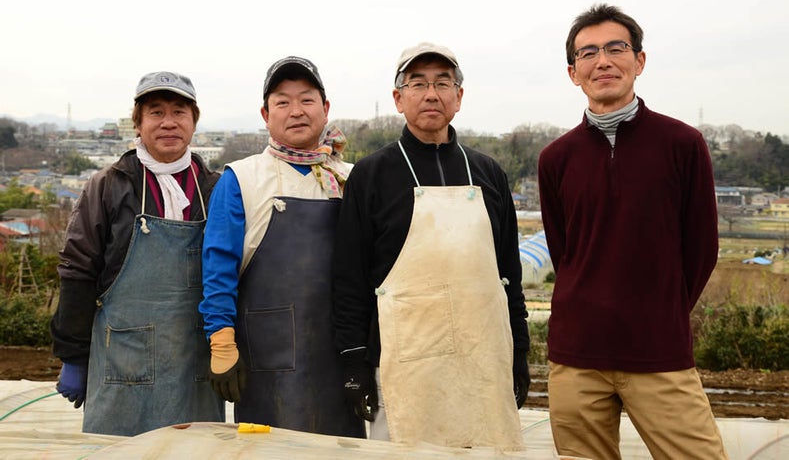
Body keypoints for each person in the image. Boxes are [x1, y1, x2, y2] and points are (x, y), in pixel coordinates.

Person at [538, 3, 728, 459]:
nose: (602, 61)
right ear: (573, 73)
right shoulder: (556, 158)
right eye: (588, 53)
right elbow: (565, 251)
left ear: (639, 61)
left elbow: (702, 247)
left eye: (615, 48)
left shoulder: (682, 144)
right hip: (576, 356)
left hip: (658, 352)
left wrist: (661, 312)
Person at [331, 42, 530, 450]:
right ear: (398, 98)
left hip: (483, 362)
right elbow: (349, 278)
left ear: (459, 96)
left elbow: (509, 274)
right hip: (404, 364)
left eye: (443, 83)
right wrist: (354, 361)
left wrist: (520, 351)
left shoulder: (489, 173)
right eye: (418, 84)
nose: (431, 94)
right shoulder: (371, 175)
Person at [50, 71, 224, 436]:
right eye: (156, 112)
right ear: (138, 123)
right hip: (123, 363)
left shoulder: (215, 188)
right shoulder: (108, 186)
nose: (168, 122)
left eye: (179, 112)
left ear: (194, 121)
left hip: (195, 362)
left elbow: (232, 273)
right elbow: (77, 271)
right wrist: (74, 356)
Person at [198, 56, 363, 438]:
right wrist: (221, 340)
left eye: (306, 100)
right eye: (283, 102)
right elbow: (218, 266)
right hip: (266, 360)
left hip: (341, 356)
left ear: (325, 108)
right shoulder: (241, 179)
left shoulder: (350, 179)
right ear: (266, 114)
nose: (296, 111)